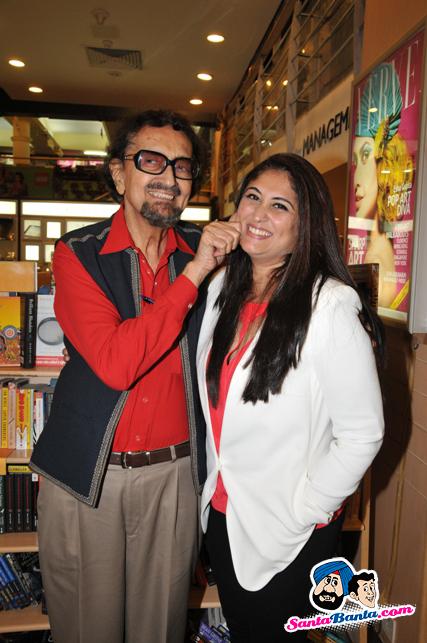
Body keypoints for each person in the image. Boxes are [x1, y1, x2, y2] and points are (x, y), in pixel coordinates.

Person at [30, 109, 240, 643]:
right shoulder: (78, 253)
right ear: (119, 174)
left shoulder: (208, 250)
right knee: (87, 628)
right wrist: (195, 275)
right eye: (151, 161)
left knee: (161, 629)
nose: (168, 177)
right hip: (88, 477)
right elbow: (116, 362)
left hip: (176, 476)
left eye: (182, 167)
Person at [196, 153, 385, 641]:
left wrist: (310, 508)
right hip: (225, 512)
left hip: (290, 524)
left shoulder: (330, 304)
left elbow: (363, 432)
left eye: (280, 206)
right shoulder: (220, 287)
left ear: (306, 226)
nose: (259, 214)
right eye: (253, 197)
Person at [352, 62, 413, 308]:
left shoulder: (377, 258)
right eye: (355, 161)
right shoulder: (374, 253)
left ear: (383, 165)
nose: (356, 179)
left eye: (365, 156)